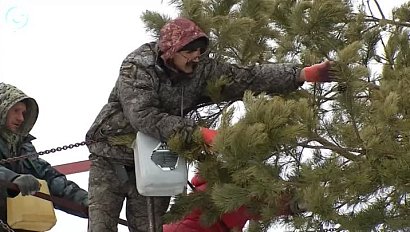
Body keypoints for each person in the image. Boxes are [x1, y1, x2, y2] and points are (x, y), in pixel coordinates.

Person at [85, 17, 336, 232]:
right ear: (170, 50)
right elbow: (143, 116)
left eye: (199, 51)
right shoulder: (138, 66)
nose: (196, 57)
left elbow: (246, 77)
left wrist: (301, 74)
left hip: (156, 159)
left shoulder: (201, 69)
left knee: (150, 227)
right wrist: (196, 133)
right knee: (101, 226)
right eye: (189, 51)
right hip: (112, 156)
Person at [0, 82, 89, 231]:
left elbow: (49, 179)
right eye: (16, 110)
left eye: (23, 113)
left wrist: (85, 201)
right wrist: (12, 178)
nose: (21, 118)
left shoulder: (23, 148)